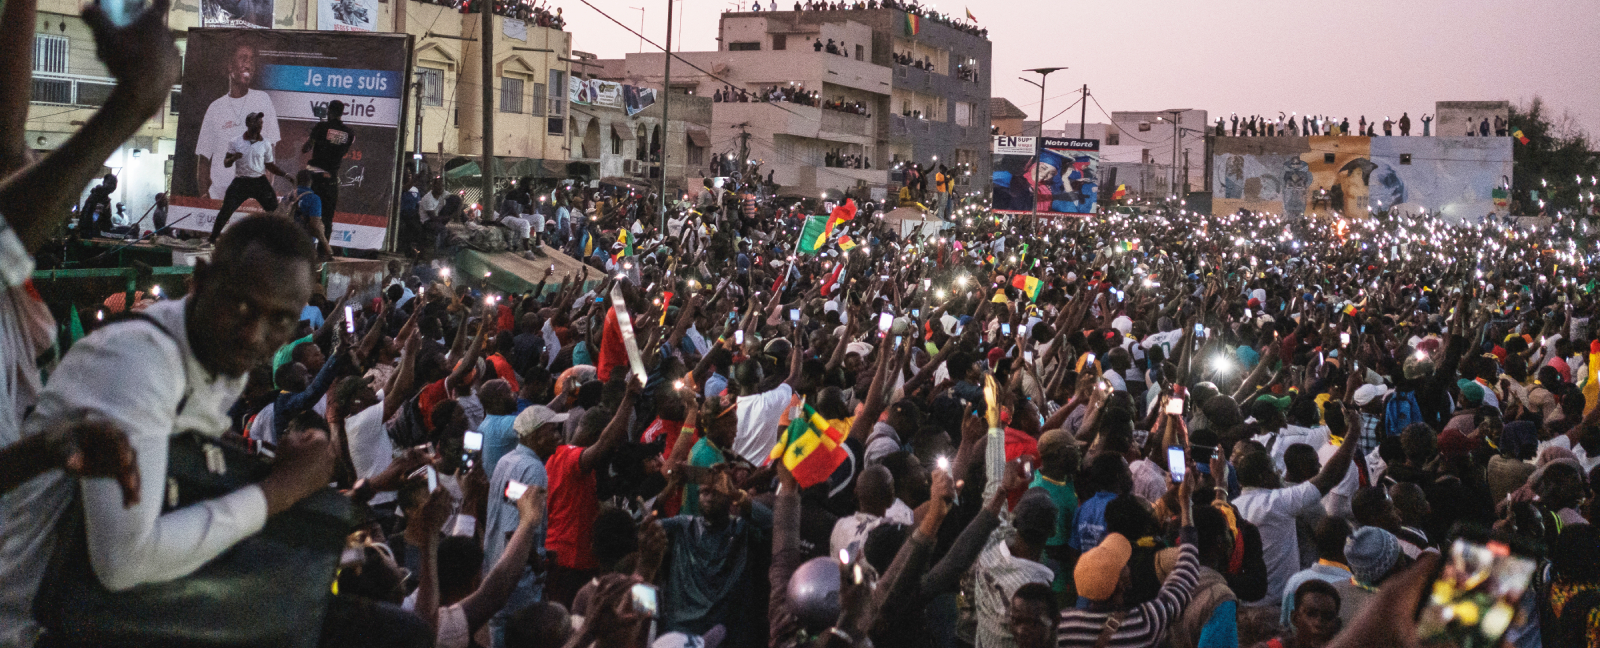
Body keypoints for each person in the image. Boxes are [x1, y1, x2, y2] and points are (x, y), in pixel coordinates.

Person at [0, 216, 334, 645]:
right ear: (199, 281)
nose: (254, 334)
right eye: (240, 305)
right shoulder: (139, 363)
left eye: (281, 320)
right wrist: (278, 492)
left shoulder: (215, 357)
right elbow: (121, 562)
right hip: (22, 625)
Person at [1232, 414, 1358, 605]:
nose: (1280, 474)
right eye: (1274, 470)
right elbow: (1329, 478)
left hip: (1243, 602)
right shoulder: (1276, 503)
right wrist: (1353, 433)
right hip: (1276, 601)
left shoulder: (1233, 507)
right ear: (1262, 477)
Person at [196, 42, 280, 200]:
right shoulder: (215, 108)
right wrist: (203, 196)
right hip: (218, 199)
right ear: (230, 66)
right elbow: (203, 159)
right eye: (243, 59)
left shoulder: (262, 100)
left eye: (251, 60)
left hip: (251, 199)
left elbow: (271, 151)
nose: (248, 64)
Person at [207, 112, 288, 243]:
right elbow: (226, 163)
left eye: (261, 123)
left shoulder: (266, 143)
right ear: (248, 124)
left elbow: (269, 165)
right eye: (257, 122)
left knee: (275, 212)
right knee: (226, 211)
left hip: (259, 181)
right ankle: (212, 239)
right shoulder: (235, 141)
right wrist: (233, 158)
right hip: (241, 181)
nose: (260, 125)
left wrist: (285, 174)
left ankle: (280, 242)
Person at [301, 99, 355, 242]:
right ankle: (324, 251)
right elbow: (341, 151)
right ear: (342, 113)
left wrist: (313, 136)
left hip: (315, 178)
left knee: (307, 214)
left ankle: (306, 249)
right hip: (331, 179)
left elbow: (305, 148)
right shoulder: (349, 133)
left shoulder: (320, 127)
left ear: (329, 111)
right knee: (327, 217)